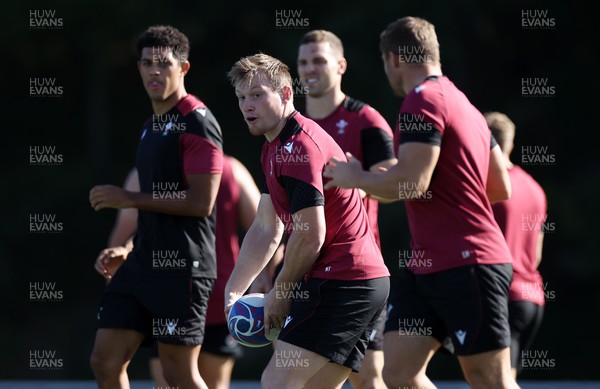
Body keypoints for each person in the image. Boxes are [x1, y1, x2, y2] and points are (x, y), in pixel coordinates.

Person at [323, 17, 519, 389]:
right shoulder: (466, 105)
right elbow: (499, 185)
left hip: (469, 263)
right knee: (398, 374)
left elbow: (413, 182)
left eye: (385, 64)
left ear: (394, 59)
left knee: (489, 380)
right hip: (426, 266)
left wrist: (357, 178)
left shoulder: (422, 100)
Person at [225, 53, 390, 389]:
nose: (247, 106)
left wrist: (280, 291)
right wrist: (234, 289)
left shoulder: (298, 148)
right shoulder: (274, 147)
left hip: (343, 281)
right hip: (359, 282)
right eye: (242, 98)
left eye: (257, 95)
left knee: (276, 383)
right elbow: (266, 227)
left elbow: (311, 234)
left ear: (286, 94)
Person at [89, 25, 223, 389]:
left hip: (182, 269)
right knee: (105, 360)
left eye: (163, 63)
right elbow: (155, 206)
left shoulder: (197, 121)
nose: (154, 70)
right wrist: (128, 246)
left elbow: (201, 202)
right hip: (141, 264)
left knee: (178, 373)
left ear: (183, 68)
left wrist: (129, 198)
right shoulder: (150, 125)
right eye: (147, 63)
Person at [95, 155, 261, 389]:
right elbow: (265, 230)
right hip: (196, 298)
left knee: (177, 383)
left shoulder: (146, 171)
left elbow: (265, 231)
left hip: (199, 300)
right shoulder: (232, 169)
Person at [296, 29, 396, 389]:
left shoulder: (365, 120)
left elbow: (396, 187)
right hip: (303, 272)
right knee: (300, 377)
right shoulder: (291, 128)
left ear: (340, 65)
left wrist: (357, 178)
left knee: (366, 378)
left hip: (354, 274)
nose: (310, 69)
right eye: (304, 62)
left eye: (319, 60)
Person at [485, 111, 547, 379]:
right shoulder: (535, 188)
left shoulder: (489, 186)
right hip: (532, 298)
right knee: (499, 381)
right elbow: (535, 256)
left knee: (493, 382)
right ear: (511, 144)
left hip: (502, 295)